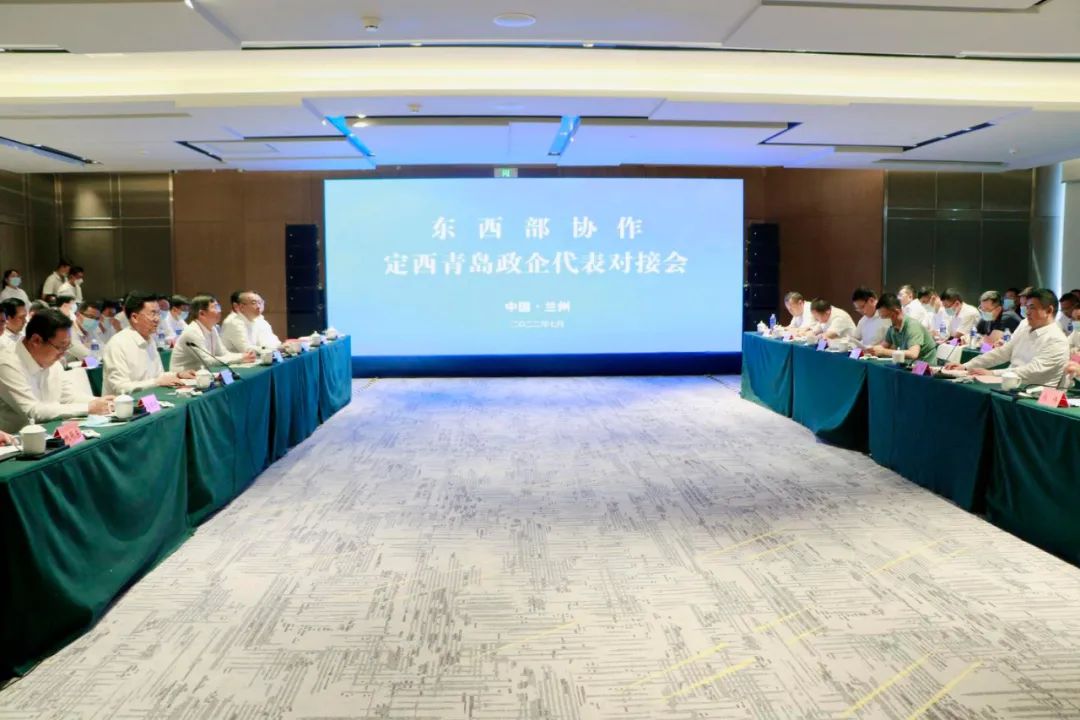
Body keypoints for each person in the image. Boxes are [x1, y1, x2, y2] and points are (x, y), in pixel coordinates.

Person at [0, 309, 112, 433]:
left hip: (53, 432)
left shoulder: (53, 361)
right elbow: (33, 411)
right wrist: (88, 407)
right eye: (60, 347)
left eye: (66, 347)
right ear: (36, 340)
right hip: (18, 439)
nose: (62, 354)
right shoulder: (7, 363)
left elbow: (68, 397)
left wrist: (100, 402)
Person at [948, 288, 1070, 386]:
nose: (1027, 312)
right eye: (1026, 307)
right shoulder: (1024, 324)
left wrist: (993, 373)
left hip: (1035, 392)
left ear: (1049, 311)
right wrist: (966, 366)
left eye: (1032, 308)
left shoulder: (1057, 339)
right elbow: (1004, 351)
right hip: (1010, 384)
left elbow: (1033, 370)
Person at [102, 293, 194, 395]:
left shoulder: (150, 340)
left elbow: (158, 375)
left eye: (158, 313)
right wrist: (156, 382)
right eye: (153, 314)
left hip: (149, 399)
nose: (157, 319)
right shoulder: (118, 344)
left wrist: (178, 375)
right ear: (134, 317)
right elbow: (120, 387)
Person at [171, 295, 255, 373]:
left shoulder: (213, 328)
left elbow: (223, 353)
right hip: (182, 376)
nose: (219, 311)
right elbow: (208, 361)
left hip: (201, 373)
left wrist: (244, 356)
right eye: (215, 307)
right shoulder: (192, 331)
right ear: (202, 314)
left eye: (219, 307)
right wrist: (240, 358)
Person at [870, 292, 937, 364]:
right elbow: (884, 346)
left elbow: (913, 354)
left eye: (886, 317)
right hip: (908, 365)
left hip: (924, 367)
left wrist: (884, 351)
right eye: (882, 317)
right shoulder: (893, 327)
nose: (885, 321)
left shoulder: (912, 326)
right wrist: (872, 350)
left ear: (897, 312)